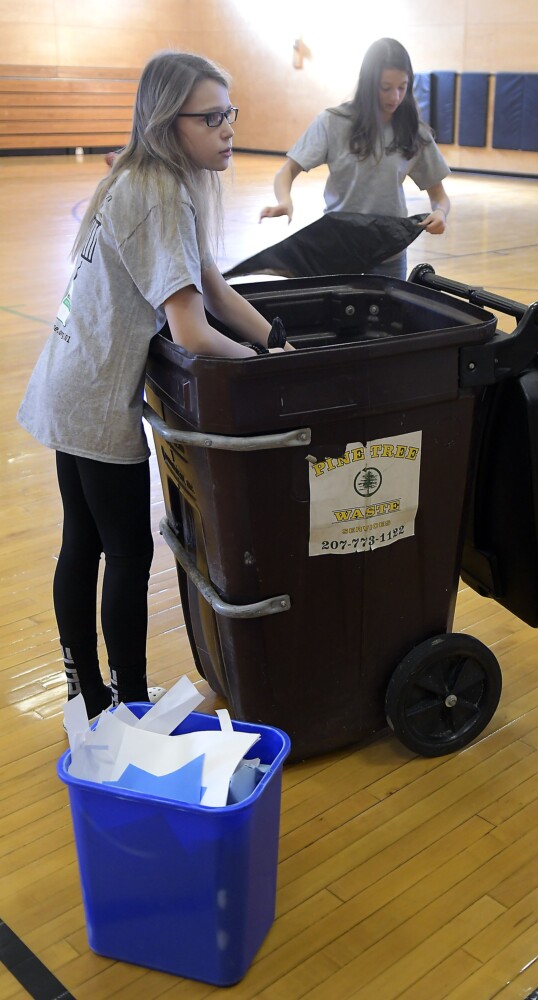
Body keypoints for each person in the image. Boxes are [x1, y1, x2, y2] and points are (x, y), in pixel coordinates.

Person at [17, 51, 287, 722]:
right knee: (126, 550)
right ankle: (127, 702)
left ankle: (90, 692)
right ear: (172, 124)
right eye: (211, 117)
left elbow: (213, 285)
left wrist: (276, 341)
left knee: (84, 541)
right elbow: (192, 330)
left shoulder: (145, 176)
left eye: (230, 114)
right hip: (93, 397)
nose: (227, 128)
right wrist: (257, 369)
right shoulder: (162, 193)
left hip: (68, 379)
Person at [259, 37, 451, 280]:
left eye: (403, 87)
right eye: (386, 87)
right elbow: (286, 172)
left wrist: (441, 213)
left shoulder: (413, 131)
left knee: (386, 316)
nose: (395, 96)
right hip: (339, 247)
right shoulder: (333, 122)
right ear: (370, 83)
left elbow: (439, 196)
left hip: (388, 253)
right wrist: (284, 201)